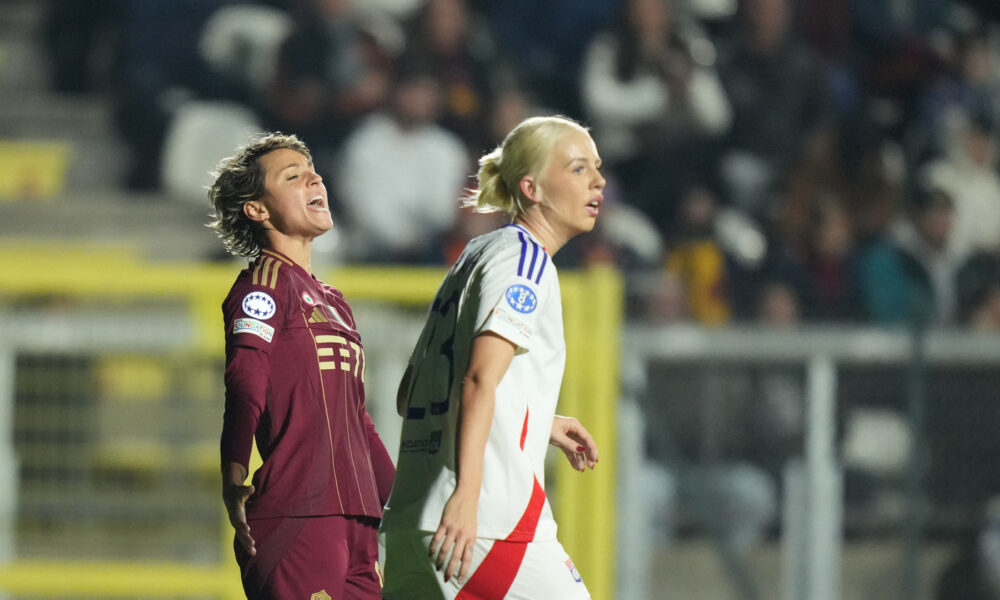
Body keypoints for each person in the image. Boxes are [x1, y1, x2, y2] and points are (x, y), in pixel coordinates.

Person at [379, 115, 603, 599]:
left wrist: (535, 418)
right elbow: (479, 379)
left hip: (410, 523)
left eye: (597, 168)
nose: (599, 181)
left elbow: (412, 391)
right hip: (485, 526)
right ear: (533, 188)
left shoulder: (475, 253)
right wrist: (466, 498)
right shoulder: (526, 262)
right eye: (580, 168)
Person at [207, 132, 395, 600]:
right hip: (298, 514)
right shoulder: (263, 284)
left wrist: (405, 502)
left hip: (357, 519)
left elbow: (357, 418)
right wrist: (233, 479)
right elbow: (246, 382)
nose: (314, 179)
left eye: (313, 172)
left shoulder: (334, 300)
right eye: (293, 176)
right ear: (258, 209)